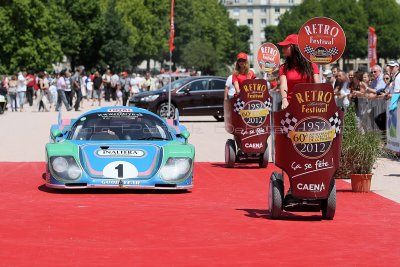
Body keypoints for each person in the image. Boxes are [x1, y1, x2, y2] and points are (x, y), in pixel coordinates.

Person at [276, 34, 319, 109]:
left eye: (286, 46)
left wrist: (318, 102)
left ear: (295, 47)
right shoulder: (283, 67)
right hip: (291, 105)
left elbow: (317, 85)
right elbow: (283, 85)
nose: (282, 49)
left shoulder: (312, 65)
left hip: (309, 105)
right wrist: (284, 100)